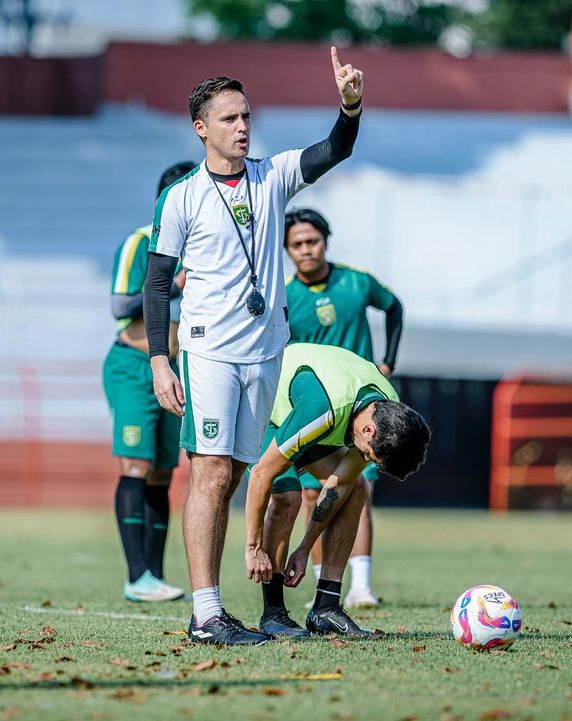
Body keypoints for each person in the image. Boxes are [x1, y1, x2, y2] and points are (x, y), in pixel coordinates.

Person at [144, 48, 365, 645]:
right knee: (211, 473)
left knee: (237, 472)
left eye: (247, 116)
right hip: (208, 349)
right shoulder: (182, 196)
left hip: (265, 351)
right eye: (229, 119)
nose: (243, 127)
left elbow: (334, 149)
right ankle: (205, 613)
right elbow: (158, 283)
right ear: (201, 128)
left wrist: (349, 105)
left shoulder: (273, 175)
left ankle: (219, 610)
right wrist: (160, 361)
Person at [243, 344, 429, 637]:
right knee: (287, 498)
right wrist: (252, 547)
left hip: (306, 411)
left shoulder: (387, 407)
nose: (365, 459)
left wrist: (304, 548)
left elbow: (338, 485)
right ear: (370, 431)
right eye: (369, 455)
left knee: (357, 488)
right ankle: (274, 613)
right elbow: (261, 475)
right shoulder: (323, 412)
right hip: (266, 409)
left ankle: (326, 608)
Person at [283, 208, 404, 609]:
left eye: (312, 241)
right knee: (311, 494)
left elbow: (394, 307)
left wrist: (388, 360)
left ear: (325, 241)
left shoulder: (356, 281)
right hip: (319, 409)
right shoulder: (286, 296)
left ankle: (361, 586)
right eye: (297, 244)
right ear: (287, 249)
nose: (306, 250)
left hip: (362, 412)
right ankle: (320, 584)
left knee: (357, 490)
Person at [103, 162, 195, 602]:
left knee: (162, 473)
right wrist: (172, 283)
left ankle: (154, 576)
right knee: (135, 467)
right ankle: (135, 575)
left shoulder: (205, 246)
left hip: (177, 370)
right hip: (134, 366)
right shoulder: (141, 241)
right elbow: (120, 303)